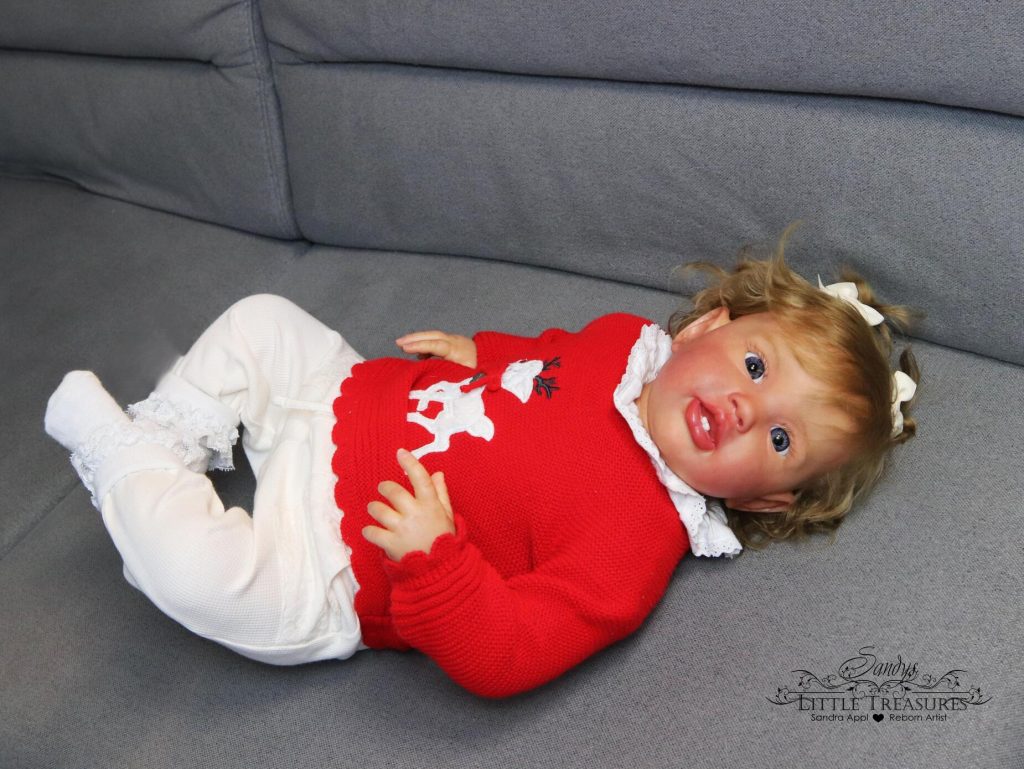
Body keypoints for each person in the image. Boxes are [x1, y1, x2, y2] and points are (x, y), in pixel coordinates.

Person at [43, 227, 919, 699]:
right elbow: (547, 358)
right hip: (347, 399)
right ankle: (170, 437)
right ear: (707, 327)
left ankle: (121, 459)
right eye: (756, 367)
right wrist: (483, 352)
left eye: (779, 440)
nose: (745, 408)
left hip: (340, 563)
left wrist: (436, 561)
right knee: (263, 320)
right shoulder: (623, 341)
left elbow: (510, 653)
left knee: (201, 579)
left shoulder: (635, 548)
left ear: (765, 501)